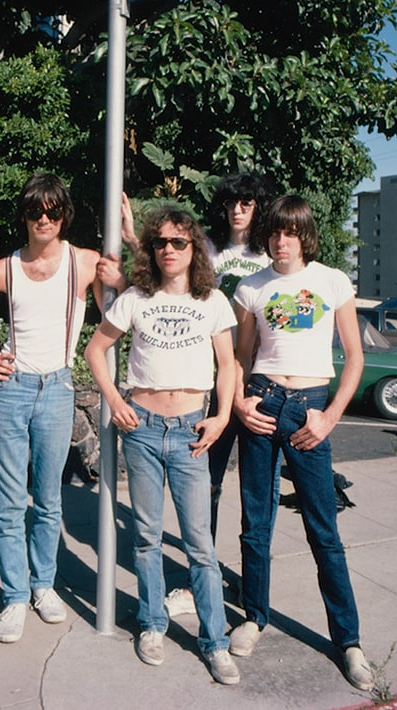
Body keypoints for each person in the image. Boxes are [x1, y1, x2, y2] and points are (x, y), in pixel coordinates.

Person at [0, 172, 116, 644]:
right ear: (23, 216)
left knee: (48, 500)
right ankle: (15, 596)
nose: (44, 219)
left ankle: (43, 585)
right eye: (34, 211)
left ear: (65, 215)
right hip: (11, 390)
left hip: (57, 388)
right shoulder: (3, 269)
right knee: (9, 503)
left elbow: (117, 316)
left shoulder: (84, 263)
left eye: (52, 211)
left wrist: (121, 270)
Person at [85, 206, 241, 686]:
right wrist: (115, 400)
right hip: (144, 430)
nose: (169, 250)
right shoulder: (136, 298)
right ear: (151, 250)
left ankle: (215, 642)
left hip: (193, 432)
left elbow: (229, 365)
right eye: (160, 243)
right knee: (147, 537)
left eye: (178, 242)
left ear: (194, 249)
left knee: (200, 546)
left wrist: (222, 417)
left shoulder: (212, 300)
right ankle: (152, 624)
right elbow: (95, 349)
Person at [229, 194, 374, 691]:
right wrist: (239, 403)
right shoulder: (251, 287)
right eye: (274, 232)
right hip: (263, 405)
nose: (281, 241)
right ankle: (254, 617)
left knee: (323, 530)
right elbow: (240, 357)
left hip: (310, 409)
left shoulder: (332, 281)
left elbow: (354, 357)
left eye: (290, 232)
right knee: (256, 523)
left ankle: (348, 641)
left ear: (305, 235)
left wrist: (330, 417)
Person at [163, 173, 278, 619]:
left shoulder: (271, 253)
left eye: (247, 202)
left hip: (259, 384)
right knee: (204, 485)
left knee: (257, 494)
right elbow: (168, 272)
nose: (238, 210)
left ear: (258, 206)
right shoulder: (209, 250)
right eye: (231, 202)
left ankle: (254, 586)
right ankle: (199, 582)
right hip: (211, 382)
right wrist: (132, 237)